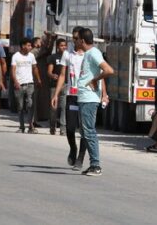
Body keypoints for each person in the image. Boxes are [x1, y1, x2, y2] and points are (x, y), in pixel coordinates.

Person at [70, 28, 113, 175]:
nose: (76, 42)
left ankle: (96, 165)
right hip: (84, 98)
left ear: (82, 40)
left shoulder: (93, 53)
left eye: (77, 39)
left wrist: (95, 80)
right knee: (85, 131)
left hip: (89, 99)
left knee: (89, 132)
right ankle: (92, 164)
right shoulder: (89, 54)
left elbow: (108, 70)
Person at [51, 27, 90, 168]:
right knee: (70, 128)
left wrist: (103, 94)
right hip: (72, 96)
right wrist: (56, 94)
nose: (73, 41)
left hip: (86, 97)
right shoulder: (68, 54)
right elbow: (62, 75)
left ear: (81, 40)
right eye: (72, 38)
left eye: (75, 38)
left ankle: (80, 157)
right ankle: (73, 148)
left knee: (85, 129)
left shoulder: (89, 54)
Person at [11, 37, 41, 133]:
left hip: (30, 84)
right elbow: (13, 70)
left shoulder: (31, 56)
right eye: (28, 45)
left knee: (30, 104)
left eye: (30, 45)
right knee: (20, 106)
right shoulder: (16, 56)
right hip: (19, 84)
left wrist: (38, 79)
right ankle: (21, 126)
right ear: (23, 46)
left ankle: (31, 126)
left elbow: (35, 68)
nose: (30, 47)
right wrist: (15, 82)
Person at [46, 37, 68, 135]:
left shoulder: (68, 57)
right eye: (61, 45)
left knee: (63, 107)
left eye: (65, 45)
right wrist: (52, 75)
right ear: (57, 47)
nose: (63, 47)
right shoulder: (53, 57)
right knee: (53, 107)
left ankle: (63, 128)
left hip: (65, 85)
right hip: (54, 86)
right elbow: (49, 72)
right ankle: (52, 126)